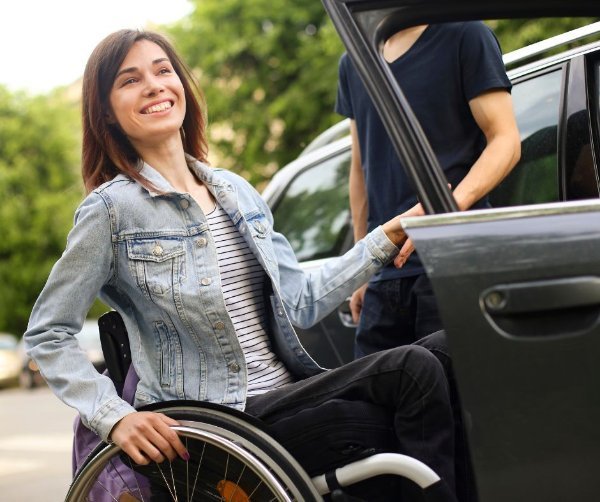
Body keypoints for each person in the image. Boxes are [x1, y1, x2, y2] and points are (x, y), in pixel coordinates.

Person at [24, 29, 460, 500]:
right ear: (106, 112)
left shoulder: (234, 190)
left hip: (285, 396)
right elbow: (48, 333)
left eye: (163, 70)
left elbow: (303, 299)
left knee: (451, 348)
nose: (154, 85)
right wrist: (116, 418)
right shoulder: (111, 210)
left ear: (182, 88)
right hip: (217, 426)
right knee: (411, 370)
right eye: (130, 80)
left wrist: (384, 239)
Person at [336, 22, 521, 358]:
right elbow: (360, 169)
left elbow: (506, 140)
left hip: (453, 262)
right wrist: (360, 269)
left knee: (451, 404)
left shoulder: (465, 35)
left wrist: (439, 215)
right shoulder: (354, 61)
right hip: (384, 274)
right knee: (375, 405)